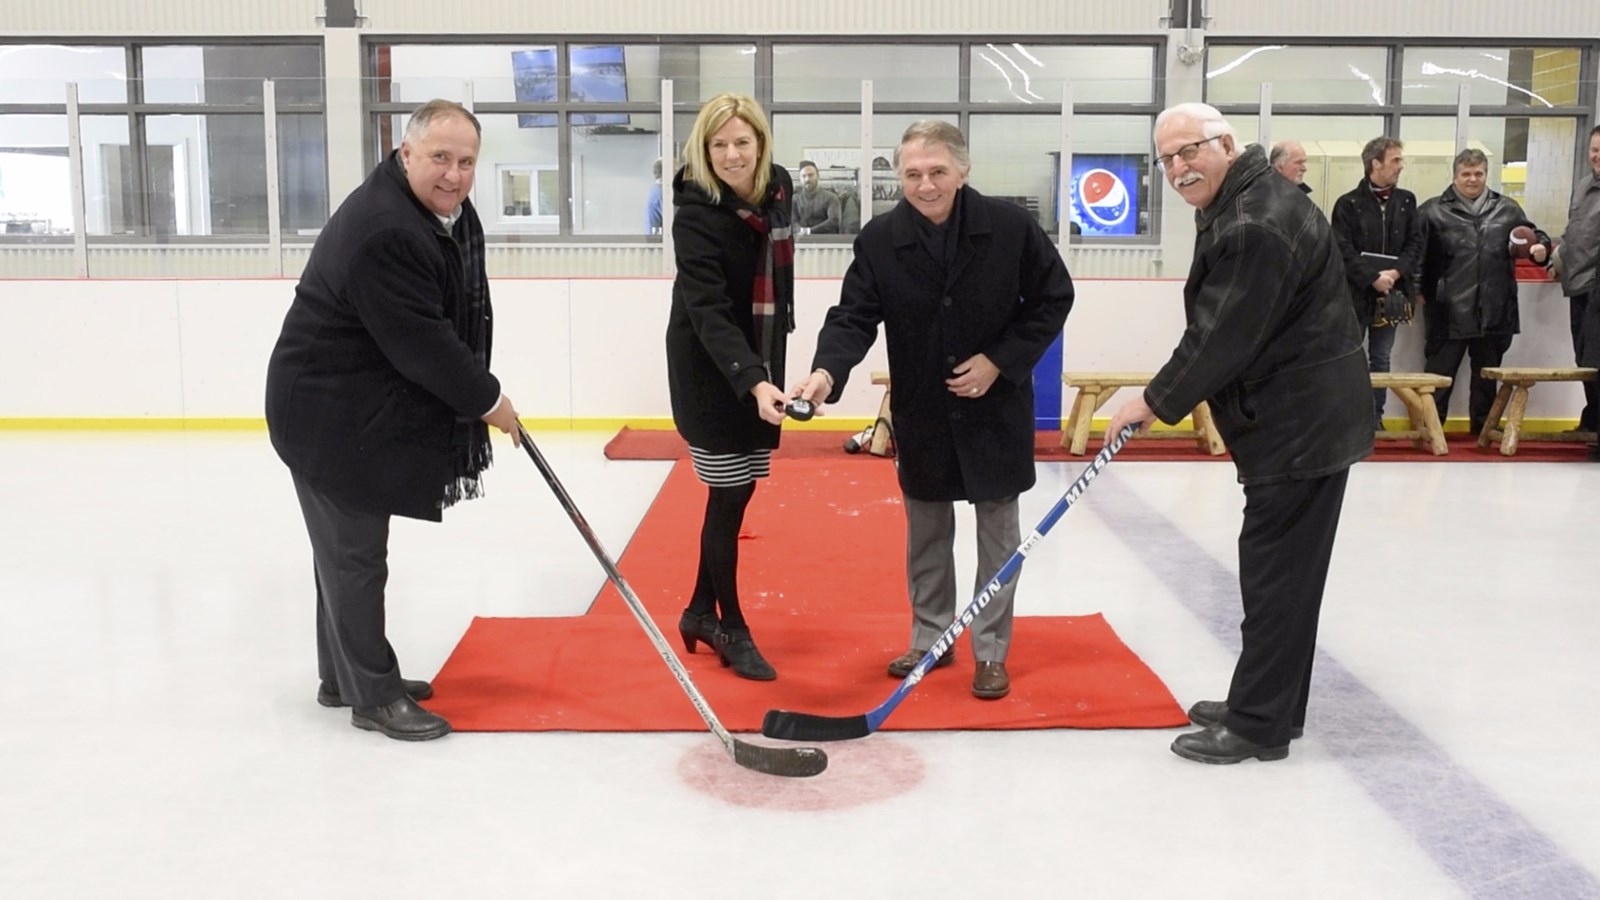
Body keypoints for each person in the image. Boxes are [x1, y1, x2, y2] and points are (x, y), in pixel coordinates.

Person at [1106, 103, 1371, 764]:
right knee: (1285, 576)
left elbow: (1224, 331)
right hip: (1299, 420)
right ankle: (1273, 700)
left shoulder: (1255, 221)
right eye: (1166, 158)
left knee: (1276, 576)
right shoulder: (1250, 199)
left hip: (1299, 425)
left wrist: (1155, 398)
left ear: (1225, 142)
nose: (1177, 167)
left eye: (1189, 151)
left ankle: (1258, 724)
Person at [265, 99, 522, 742]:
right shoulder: (388, 230)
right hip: (325, 413)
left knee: (345, 553)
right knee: (355, 556)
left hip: (349, 405)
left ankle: (343, 675)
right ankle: (372, 696)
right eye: (439, 157)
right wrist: (489, 400)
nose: (454, 175)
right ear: (405, 153)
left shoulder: (432, 214)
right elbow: (423, 344)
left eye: (466, 162)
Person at [792, 120, 1074, 701]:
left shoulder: (1012, 228)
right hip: (923, 410)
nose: (925, 185)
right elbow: (853, 317)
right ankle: (931, 637)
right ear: (899, 175)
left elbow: (1054, 297)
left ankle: (991, 651)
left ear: (963, 171)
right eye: (913, 174)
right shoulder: (878, 239)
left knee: (999, 533)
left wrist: (1000, 359)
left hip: (994, 409)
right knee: (927, 532)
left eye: (938, 172)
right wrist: (826, 372)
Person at [666, 93, 795, 681]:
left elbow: (779, 280)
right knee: (727, 496)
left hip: (760, 364)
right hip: (711, 369)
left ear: (761, 145)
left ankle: (697, 611)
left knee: (737, 494)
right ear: (704, 149)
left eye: (742, 142)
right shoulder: (696, 213)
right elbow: (709, 310)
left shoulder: (779, 190)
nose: (731, 154)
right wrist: (752, 381)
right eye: (718, 144)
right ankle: (730, 627)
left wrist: (769, 372)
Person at [1416, 148, 1551, 435]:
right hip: (1447, 309)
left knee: (1487, 376)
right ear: (1455, 176)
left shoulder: (1508, 209)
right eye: (1466, 174)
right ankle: (1430, 429)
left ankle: (1483, 430)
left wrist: (1541, 247)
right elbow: (1415, 256)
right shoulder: (1431, 211)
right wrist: (1414, 291)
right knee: (1439, 375)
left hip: (1494, 308)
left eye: (1478, 173)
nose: (1472, 179)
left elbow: (1533, 236)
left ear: (1486, 175)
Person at [1332, 136, 1424, 430]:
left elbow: (1415, 244)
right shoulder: (1347, 204)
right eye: (1395, 160)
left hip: (1393, 294)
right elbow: (1342, 248)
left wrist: (1394, 274)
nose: (1401, 166)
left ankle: (1375, 418)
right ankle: (1349, 417)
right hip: (1356, 294)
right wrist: (1372, 278)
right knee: (1349, 356)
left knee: (1381, 358)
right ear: (1375, 163)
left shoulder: (1407, 201)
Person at [1558, 125, 1600, 440]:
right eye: (1594, 150)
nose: (1597, 156)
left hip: (1597, 288)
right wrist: (1555, 256)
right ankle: (1592, 421)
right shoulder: (1584, 186)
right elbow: (1575, 233)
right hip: (1579, 287)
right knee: (1584, 359)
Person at [792, 159, 841, 234]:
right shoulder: (794, 199)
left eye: (811, 175)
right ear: (800, 179)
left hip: (827, 242)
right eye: (804, 176)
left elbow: (834, 221)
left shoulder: (831, 198)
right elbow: (792, 222)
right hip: (801, 242)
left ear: (818, 176)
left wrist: (810, 231)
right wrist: (801, 230)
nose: (807, 179)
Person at [645, 157, 663, 234]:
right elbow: (672, 218)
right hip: (659, 240)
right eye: (675, 171)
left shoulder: (655, 190)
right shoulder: (662, 193)